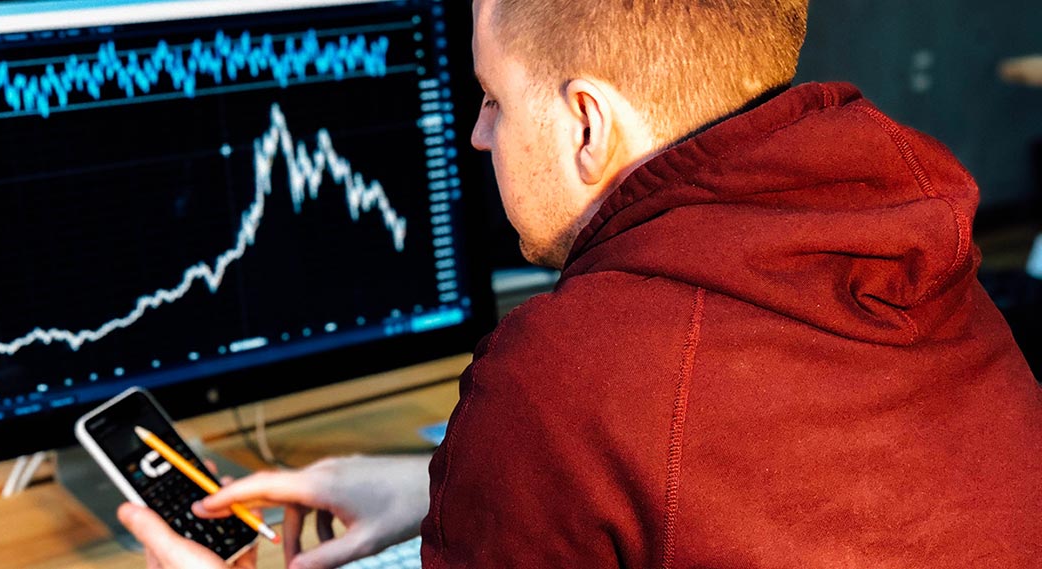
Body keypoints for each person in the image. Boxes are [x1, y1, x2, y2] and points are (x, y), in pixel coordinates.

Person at [119, 0, 1042, 566]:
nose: (478, 136)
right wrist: (447, 483)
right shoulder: (919, 259)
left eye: (492, 99)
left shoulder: (570, 370)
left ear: (587, 124)